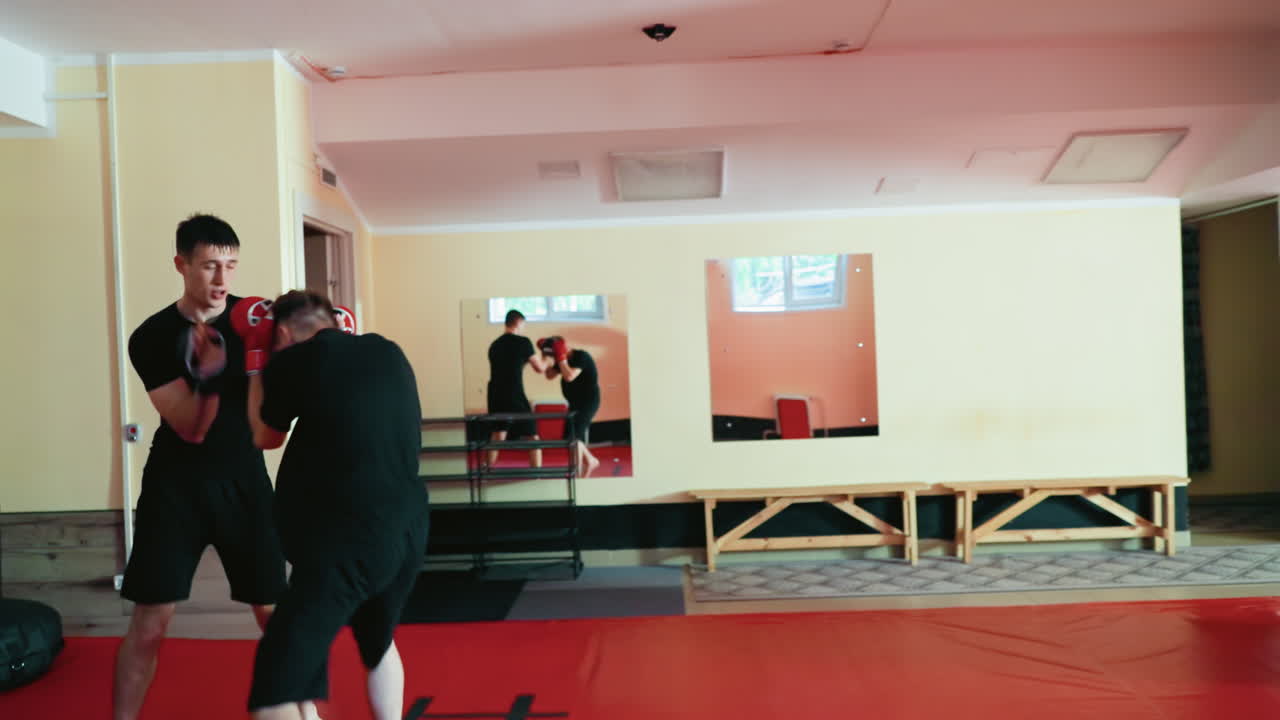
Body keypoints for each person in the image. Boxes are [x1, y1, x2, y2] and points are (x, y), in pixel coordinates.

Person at [113, 214, 288, 720]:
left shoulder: (257, 322)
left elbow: (278, 413)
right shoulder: (151, 336)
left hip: (245, 483)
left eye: (230, 266)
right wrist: (208, 377)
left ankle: (305, 714)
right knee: (151, 623)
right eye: (209, 265)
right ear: (181, 265)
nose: (221, 280)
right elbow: (190, 426)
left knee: (274, 615)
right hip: (177, 488)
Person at [237, 290, 428, 720]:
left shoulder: (293, 359)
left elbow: (265, 436)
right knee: (377, 641)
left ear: (283, 333)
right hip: (408, 531)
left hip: (349, 541)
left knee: (277, 676)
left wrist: (256, 362)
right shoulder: (388, 351)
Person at [486, 309, 551, 468]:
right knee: (532, 436)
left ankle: (486, 471)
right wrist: (548, 356)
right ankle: (536, 473)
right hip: (514, 394)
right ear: (519, 322)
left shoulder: (494, 345)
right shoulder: (523, 342)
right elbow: (540, 368)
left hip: (495, 394)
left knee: (498, 434)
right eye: (523, 324)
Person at [541, 336, 602, 477]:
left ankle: (577, 474)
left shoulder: (581, 356)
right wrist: (545, 356)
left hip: (588, 402)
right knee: (569, 437)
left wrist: (561, 357)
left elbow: (569, 376)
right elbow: (549, 375)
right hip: (574, 402)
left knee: (574, 437)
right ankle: (591, 460)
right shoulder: (560, 360)